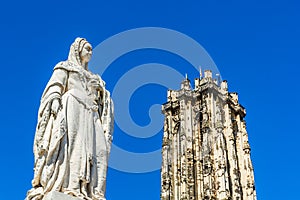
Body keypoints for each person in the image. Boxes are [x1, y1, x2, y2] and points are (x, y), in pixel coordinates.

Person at [26, 38, 114, 200]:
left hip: (92, 113)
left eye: (91, 49)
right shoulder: (66, 67)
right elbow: (55, 86)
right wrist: (54, 99)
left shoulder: (94, 76)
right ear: (77, 50)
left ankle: (93, 191)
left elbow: (104, 101)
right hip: (72, 106)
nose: (90, 52)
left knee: (99, 151)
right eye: (87, 49)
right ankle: (70, 186)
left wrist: (101, 91)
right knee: (73, 146)